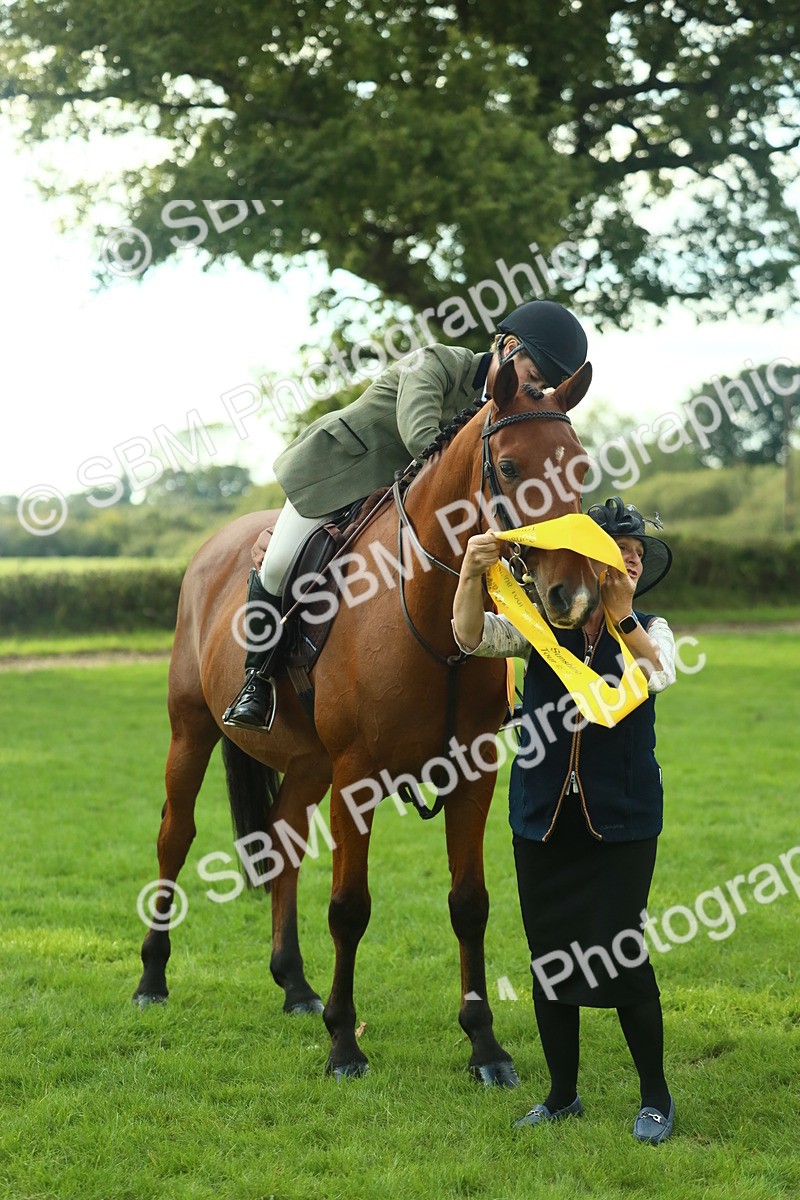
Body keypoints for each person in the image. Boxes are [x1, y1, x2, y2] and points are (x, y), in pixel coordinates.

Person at [223, 299, 589, 730]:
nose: (536, 392)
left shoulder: (510, 414)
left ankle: (502, 694)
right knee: (280, 563)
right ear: (508, 348)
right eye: (533, 378)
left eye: (546, 387)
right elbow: (421, 439)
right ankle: (257, 679)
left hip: (399, 501)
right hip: (337, 477)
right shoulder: (433, 363)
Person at [451, 496, 678, 1145]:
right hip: (542, 817)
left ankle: (656, 1096)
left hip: (622, 820)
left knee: (623, 955)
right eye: (615, 554)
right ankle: (561, 1095)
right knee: (550, 960)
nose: (626, 563)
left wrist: (623, 611)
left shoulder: (652, 629)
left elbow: (659, 673)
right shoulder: (537, 628)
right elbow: (471, 637)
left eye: (634, 557)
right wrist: (471, 574)